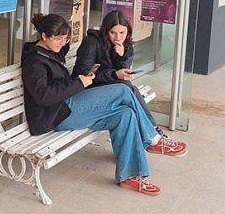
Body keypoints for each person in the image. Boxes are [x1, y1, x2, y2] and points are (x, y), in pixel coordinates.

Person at [21, 13, 184, 196]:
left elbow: (79, 49)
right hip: (57, 114)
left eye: (65, 39)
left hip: (69, 105)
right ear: (43, 36)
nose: (62, 43)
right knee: (123, 90)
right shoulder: (34, 61)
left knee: (125, 114)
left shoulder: (52, 50)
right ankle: (152, 139)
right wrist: (78, 83)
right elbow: (42, 96)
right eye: (58, 39)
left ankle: (129, 176)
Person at [71, 10, 187, 149]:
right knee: (128, 89)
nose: (118, 37)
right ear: (105, 30)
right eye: (113, 32)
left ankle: (152, 136)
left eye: (122, 33)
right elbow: (82, 74)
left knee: (128, 105)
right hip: (87, 92)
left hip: (112, 89)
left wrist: (120, 57)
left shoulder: (126, 45)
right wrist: (114, 75)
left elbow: (123, 73)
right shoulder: (92, 42)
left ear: (128, 31)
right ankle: (154, 134)